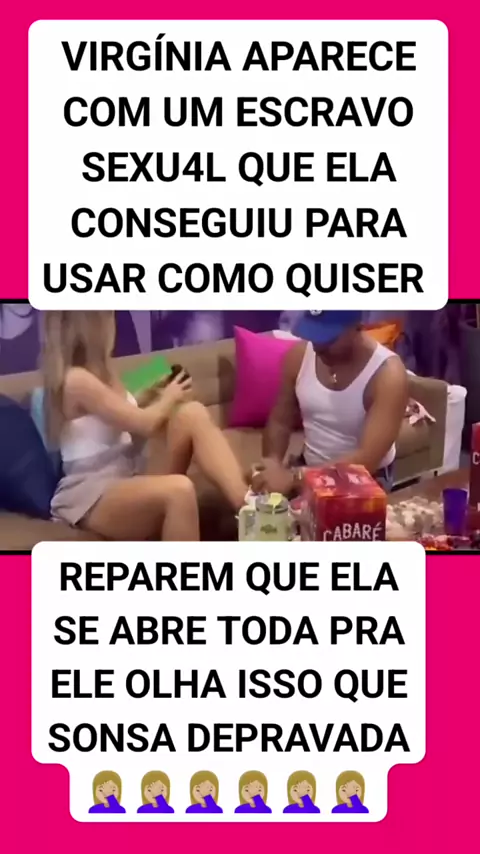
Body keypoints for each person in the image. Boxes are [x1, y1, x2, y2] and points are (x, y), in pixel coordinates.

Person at [42, 311, 248, 540]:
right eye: (108, 318)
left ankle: (250, 508)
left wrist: (149, 391)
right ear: (91, 327)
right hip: (92, 492)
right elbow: (144, 424)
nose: (113, 325)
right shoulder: (76, 380)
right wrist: (170, 396)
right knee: (180, 490)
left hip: (128, 473)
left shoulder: (105, 371)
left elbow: (115, 416)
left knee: (192, 413)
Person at [252, 310, 409, 496]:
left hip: (364, 477)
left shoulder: (387, 375)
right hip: (307, 467)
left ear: (357, 327)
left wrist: (295, 478)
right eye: (313, 336)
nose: (318, 347)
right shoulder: (299, 356)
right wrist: (272, 463)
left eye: (328, 339)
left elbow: (367, 458)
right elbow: (280, 421)